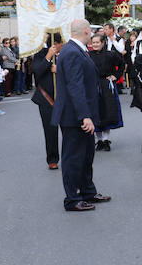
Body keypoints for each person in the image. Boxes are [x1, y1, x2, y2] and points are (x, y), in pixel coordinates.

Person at [52, 19, 111, 211]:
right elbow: (74, 86)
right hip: (74, 116)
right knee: (73, 158)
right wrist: (84, 116)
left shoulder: (75, 50)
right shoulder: (71, 52)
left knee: (86, 156)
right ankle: (72, 199)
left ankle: (88, 192)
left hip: (81, 114)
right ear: (87, 31)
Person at [31, 35, 65, 170]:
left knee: (68, 130)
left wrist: (60, 69)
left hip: (64, 98)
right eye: (60, 42)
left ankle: (70, 156)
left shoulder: (68, 54)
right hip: (46, 98)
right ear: (54, 44)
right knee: (50, 131)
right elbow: (37, 71)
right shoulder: (41, 54)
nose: (62, 44)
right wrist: (48, 57)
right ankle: (52, 159)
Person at [89, 34, 124, 151]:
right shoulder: (87, 56)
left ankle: (105, 139)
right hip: (93, 86)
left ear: (103, 42)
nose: (95, 44)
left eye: (97, 42)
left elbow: (122, 64)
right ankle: (98, 140)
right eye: (93, 42)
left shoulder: (110, 54)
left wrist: (116, 75)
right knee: (96, 112)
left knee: (108, 111)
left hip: (107, 85)